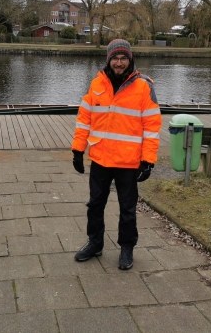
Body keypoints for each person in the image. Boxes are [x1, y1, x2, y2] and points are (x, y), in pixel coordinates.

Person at [71, 39, 162, 270]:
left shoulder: (144, 87)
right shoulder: (96, 85)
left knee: (127, 208)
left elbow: (152, 126)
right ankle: (95, 243)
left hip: (129, 161)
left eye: (123, 58)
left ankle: (127, 248)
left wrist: (148, 160)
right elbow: (84, 120)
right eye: (115, 58)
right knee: (94, 205)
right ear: (108, 59)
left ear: (130, 60)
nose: (119, 63)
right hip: (101, 158)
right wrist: (78, 150)